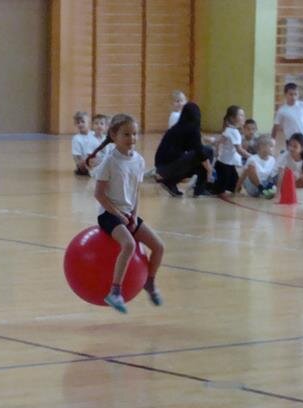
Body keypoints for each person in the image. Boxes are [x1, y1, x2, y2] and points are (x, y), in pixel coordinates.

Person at [91, 114, 165, 314]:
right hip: (108, 214)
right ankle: (115, 292)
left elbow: (135, 191)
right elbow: (99, 195)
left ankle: (149, 282)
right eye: (126, 134)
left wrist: (134, 215)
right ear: (113, 135)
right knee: (129, 244)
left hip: (128, 214)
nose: (131, 138)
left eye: (134, 134)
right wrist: (119, 215)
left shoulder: (139, 161)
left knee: (159, 247)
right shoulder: (109, 162)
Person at [154, 102, 215, 197]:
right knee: (208, 151)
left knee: (198, 162)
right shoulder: (193, 128)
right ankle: (200, 189)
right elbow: (200, 152)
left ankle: (170, 182)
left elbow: (194, 147)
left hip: (160, 168)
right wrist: (209, 169)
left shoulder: (178, 127)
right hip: (168, 168)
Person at [210, 105, 251, 194]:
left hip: (226, 163)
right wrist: (252, 157)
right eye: (241, 115)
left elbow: (220, 141)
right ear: (232, 118)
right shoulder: (233, 132)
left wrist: (214, 145)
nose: (244, 117)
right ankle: (203, 184)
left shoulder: (229, 129)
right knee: (219, 190)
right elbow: (239, 150)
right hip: (225, 165)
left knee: (235, 187)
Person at [271, 83, 303, 164]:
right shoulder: (282, 110)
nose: (293, 97)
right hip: (292, 140)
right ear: (285, 95)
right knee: (293, 162)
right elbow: (276, 126)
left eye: (295, 94)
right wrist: (272, 140)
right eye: (291, 94)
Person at [276, 133, 303, 201]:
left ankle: (291, 186)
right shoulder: (285, 156)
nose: (291, 148)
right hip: (276, 178)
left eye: (295, 146)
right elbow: (280, 175)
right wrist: (278, 193)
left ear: (302, 148)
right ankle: (285, 188)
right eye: (290, 145)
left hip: (293, 178)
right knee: (293, 174)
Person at [236, 134, 278, 199]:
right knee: (251, 167)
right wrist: (236, 190)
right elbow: (243, 175)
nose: (273, 149)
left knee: (279, 172)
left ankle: (267, 191)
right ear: (262, 147)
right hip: (253, 186)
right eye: (271, 146)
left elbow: (273, 176)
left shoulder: (272, 160)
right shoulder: (252, 159)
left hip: (265, 184)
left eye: (273, 147)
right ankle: (261, 189)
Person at [71, 111, 99, 176]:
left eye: (83, 122)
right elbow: (77, 155)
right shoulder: (76, 138)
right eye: (78, 123)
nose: (80, 124)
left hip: (96, 160)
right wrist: (84, 163)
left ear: (89, 122)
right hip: (84, 162)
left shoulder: (95, 135)